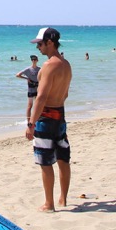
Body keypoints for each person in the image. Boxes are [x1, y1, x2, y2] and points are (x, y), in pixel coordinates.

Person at [25, 28, 72, 212]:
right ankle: (63, 199)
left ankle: (49, 204)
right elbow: (65, 93)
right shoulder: (66, 65)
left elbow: (41, 96)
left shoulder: (49, 65)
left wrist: (31, 123)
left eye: (40, 43)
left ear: (49, 43)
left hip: (46, 118)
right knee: (63, 158)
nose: (38, 47)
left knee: (45, 161)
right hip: (60, 115)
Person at [16, 54, 41, 122]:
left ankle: (36, 119)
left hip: (38, 88)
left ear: (37, 60)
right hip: (31, 89)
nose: (33, 61)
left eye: (35, 59)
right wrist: (26, 78)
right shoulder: (28, 69)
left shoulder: (40, 69)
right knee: (30, 106)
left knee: (37, 105)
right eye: (32, 59)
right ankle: (28, 120)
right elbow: (18, 75)